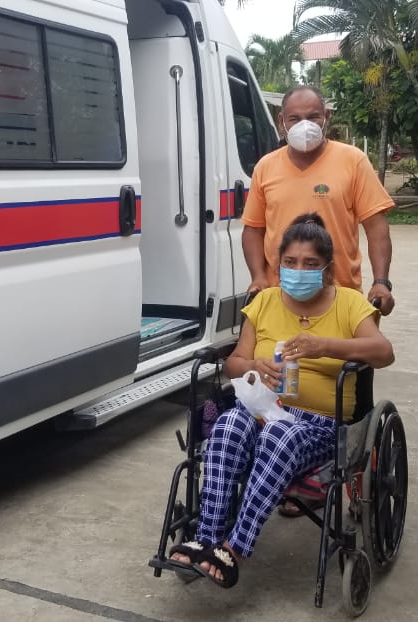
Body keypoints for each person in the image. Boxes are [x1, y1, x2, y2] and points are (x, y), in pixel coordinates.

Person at [167, 214, 395, 588]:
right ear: (279, 264)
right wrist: (253, 366)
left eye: (309, 263)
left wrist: (325, 346)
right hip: (263, 410)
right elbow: (234, 364)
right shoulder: (265, 302)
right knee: (228, 424)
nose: (298, 270)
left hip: (318, 425)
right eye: (290, 262)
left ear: (327, 270)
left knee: (279, 437)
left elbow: (384, 352)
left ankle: (234, 548)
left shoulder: (349, 304)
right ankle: (206, 538)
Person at [241, 85, 398, 315]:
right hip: (279, 296)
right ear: (281, 121)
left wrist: (381, 282)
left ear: (327, 117)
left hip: (341, 298)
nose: (304, 125)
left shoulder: (353, 161)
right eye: (295, 119)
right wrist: (258, 277)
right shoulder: (266, 167)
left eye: (313, 117)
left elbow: (376, 227)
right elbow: (253, 230)